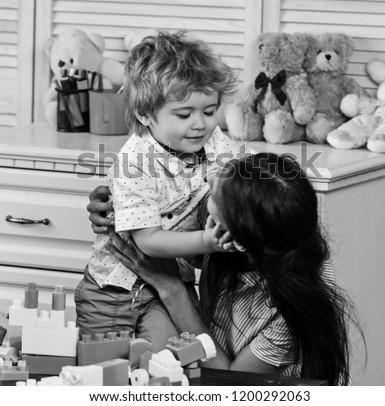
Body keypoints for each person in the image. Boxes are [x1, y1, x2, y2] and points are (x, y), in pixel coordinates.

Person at [90, 153, 361, 385]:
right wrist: (120, 206)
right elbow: (160, 215)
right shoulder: (252, 226)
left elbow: (230, 382)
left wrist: (170, 289)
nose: (209, 180)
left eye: (215, 195)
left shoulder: (290, 309)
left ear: (235, 240)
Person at [75, 31, 251, 350]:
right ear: (145, 114)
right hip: (114, 291)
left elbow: (250, 169)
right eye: (184, 115)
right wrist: (207, 241)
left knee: (174, 366)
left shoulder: (212, 140)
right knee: (106, 374)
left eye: (210, 111)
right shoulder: (135, 161)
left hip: (170, 285)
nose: (200, 124)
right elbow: (148, 241)